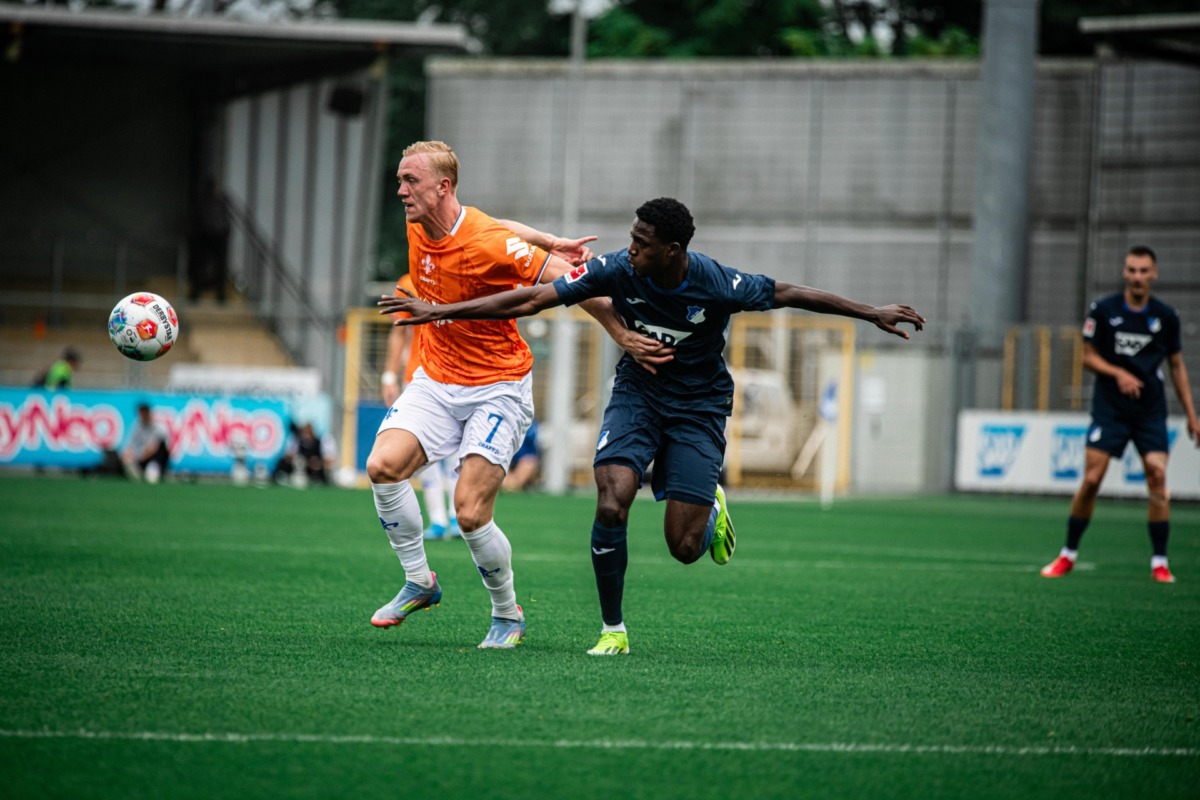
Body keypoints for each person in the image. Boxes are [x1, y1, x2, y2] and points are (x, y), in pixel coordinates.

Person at [381, 196, 925, 655]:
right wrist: (442, 311)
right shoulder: (617, 269)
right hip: (638, 394)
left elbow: (789, 293)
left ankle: (709, 506)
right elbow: (533, 298)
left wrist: (870, 311)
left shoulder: (717, 282)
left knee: (684, 547)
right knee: (612, 498)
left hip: (699, 406)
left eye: (642, 243)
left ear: (673, 250)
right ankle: (613, 630)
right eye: (631, 238)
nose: (631, 249)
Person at [365, 141, 669, 650]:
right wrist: (549, 237)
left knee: (469, 512)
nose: (400, 191)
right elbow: (495, 222)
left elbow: (576, 281)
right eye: (400, 180)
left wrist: (621, 334)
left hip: (497, 387)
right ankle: (420, 581)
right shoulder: (423, 222)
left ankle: (507, 614)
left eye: (409, 181)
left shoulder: (487, 246)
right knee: (382, 466)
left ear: (443, 187)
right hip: (436, 380)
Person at [1041, 245, 1200, 584]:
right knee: (1091, 480)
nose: (1137, 277)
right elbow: (1086, 356)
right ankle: (1068, 554)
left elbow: (1176, 366)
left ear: (1154, 274)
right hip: (1110, 409)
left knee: (1157, 478)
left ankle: (1160, 562)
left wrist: (1192, 415)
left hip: (1149, 410)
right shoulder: (1104, 310)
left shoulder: (1166, 317)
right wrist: (1118, 373)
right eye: (1132, 270)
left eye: (1143, 271)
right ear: (1124, 272)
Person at [381, 272, 461, 540]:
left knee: (455, 450)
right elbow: (399, 331)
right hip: (418, 376)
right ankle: (438, 519)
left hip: (456, 375)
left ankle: (456, 515)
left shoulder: (459, 275)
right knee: (423, 448)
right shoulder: (408, 282)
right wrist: (389, 375)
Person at [189, 177, 231, 303]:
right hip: (204, 238)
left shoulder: (220, 203)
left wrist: (224, 234)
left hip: (218, 239)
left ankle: (220, 295)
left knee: (219, 268)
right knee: (200, 267)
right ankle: (195, 293)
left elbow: (225, 221)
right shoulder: (201, 203)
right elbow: (196, 220)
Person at [122, 402, 171, 484]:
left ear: (149, 413)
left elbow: (153, 448)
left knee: (151, 476)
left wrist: (139, 458)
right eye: (141, 414)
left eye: (145, 414)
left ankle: (150, 470)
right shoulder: (137, 427)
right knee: (127, 459)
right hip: (142, 457)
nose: (143, 416)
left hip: (156, 460)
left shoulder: (158, 428)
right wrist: (128, 454)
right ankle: (137, 471)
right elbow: (130, 444)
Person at [274, 421, 335, 486]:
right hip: (301, 469)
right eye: (304, 433)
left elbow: (328, 461)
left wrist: (318, 463)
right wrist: (299, 460)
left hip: (316, 470)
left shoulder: (320, 442)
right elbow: (288, 456)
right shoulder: (298, 441)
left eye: (308, 433)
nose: (306, 436)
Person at [502, 420, 540, 491]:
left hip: (524, 459)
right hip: (502, 458)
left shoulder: (530, 423)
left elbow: (530, 454)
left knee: (528, 464)